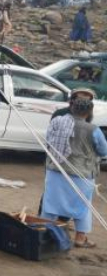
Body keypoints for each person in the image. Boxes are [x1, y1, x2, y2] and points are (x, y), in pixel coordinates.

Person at [41, 97, 107, 247]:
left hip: (56, 170)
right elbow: (103, 151)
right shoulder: (93, 130)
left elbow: (48, 140)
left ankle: (43, 233)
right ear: (89, 112)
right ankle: (80, 238)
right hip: (81, 174)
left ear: (72, 108)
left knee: (50, 204)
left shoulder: (58, 122)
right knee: (83, 206)